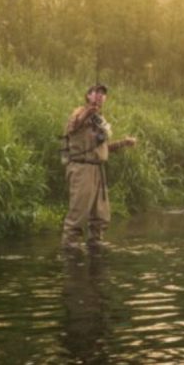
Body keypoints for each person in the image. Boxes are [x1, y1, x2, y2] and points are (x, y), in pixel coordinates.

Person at [60, 84, 137, 249]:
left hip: (97, 170)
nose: (100, 96)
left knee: (100, 215)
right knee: (78, 214)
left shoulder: (100, 120)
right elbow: (74, 126)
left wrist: (124, 142)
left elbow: (102, 149)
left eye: (103, 94)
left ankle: (95, 245)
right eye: (96, 92)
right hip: (82, 169)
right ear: (88, 95)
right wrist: (89, 111)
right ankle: (69, 249)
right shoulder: (79, 113)